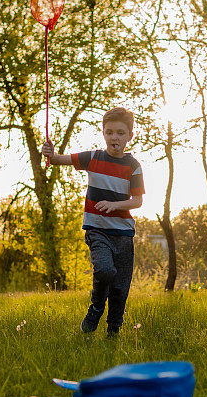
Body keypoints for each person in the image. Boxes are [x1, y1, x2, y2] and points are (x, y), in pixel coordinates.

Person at [41, 107, 145, 337]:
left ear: (130, 135)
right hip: (97, 230)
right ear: (103, 133)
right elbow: (57, 160)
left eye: (120, 133)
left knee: (120, 289)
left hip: (124, 235)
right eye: (109, 132)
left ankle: (113, 333)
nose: (114, 137)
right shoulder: (93, 157)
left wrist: (115, 205)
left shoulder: (133, 166)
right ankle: (96, 306)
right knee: (105, 270)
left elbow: (137, 201)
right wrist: (49, 152)